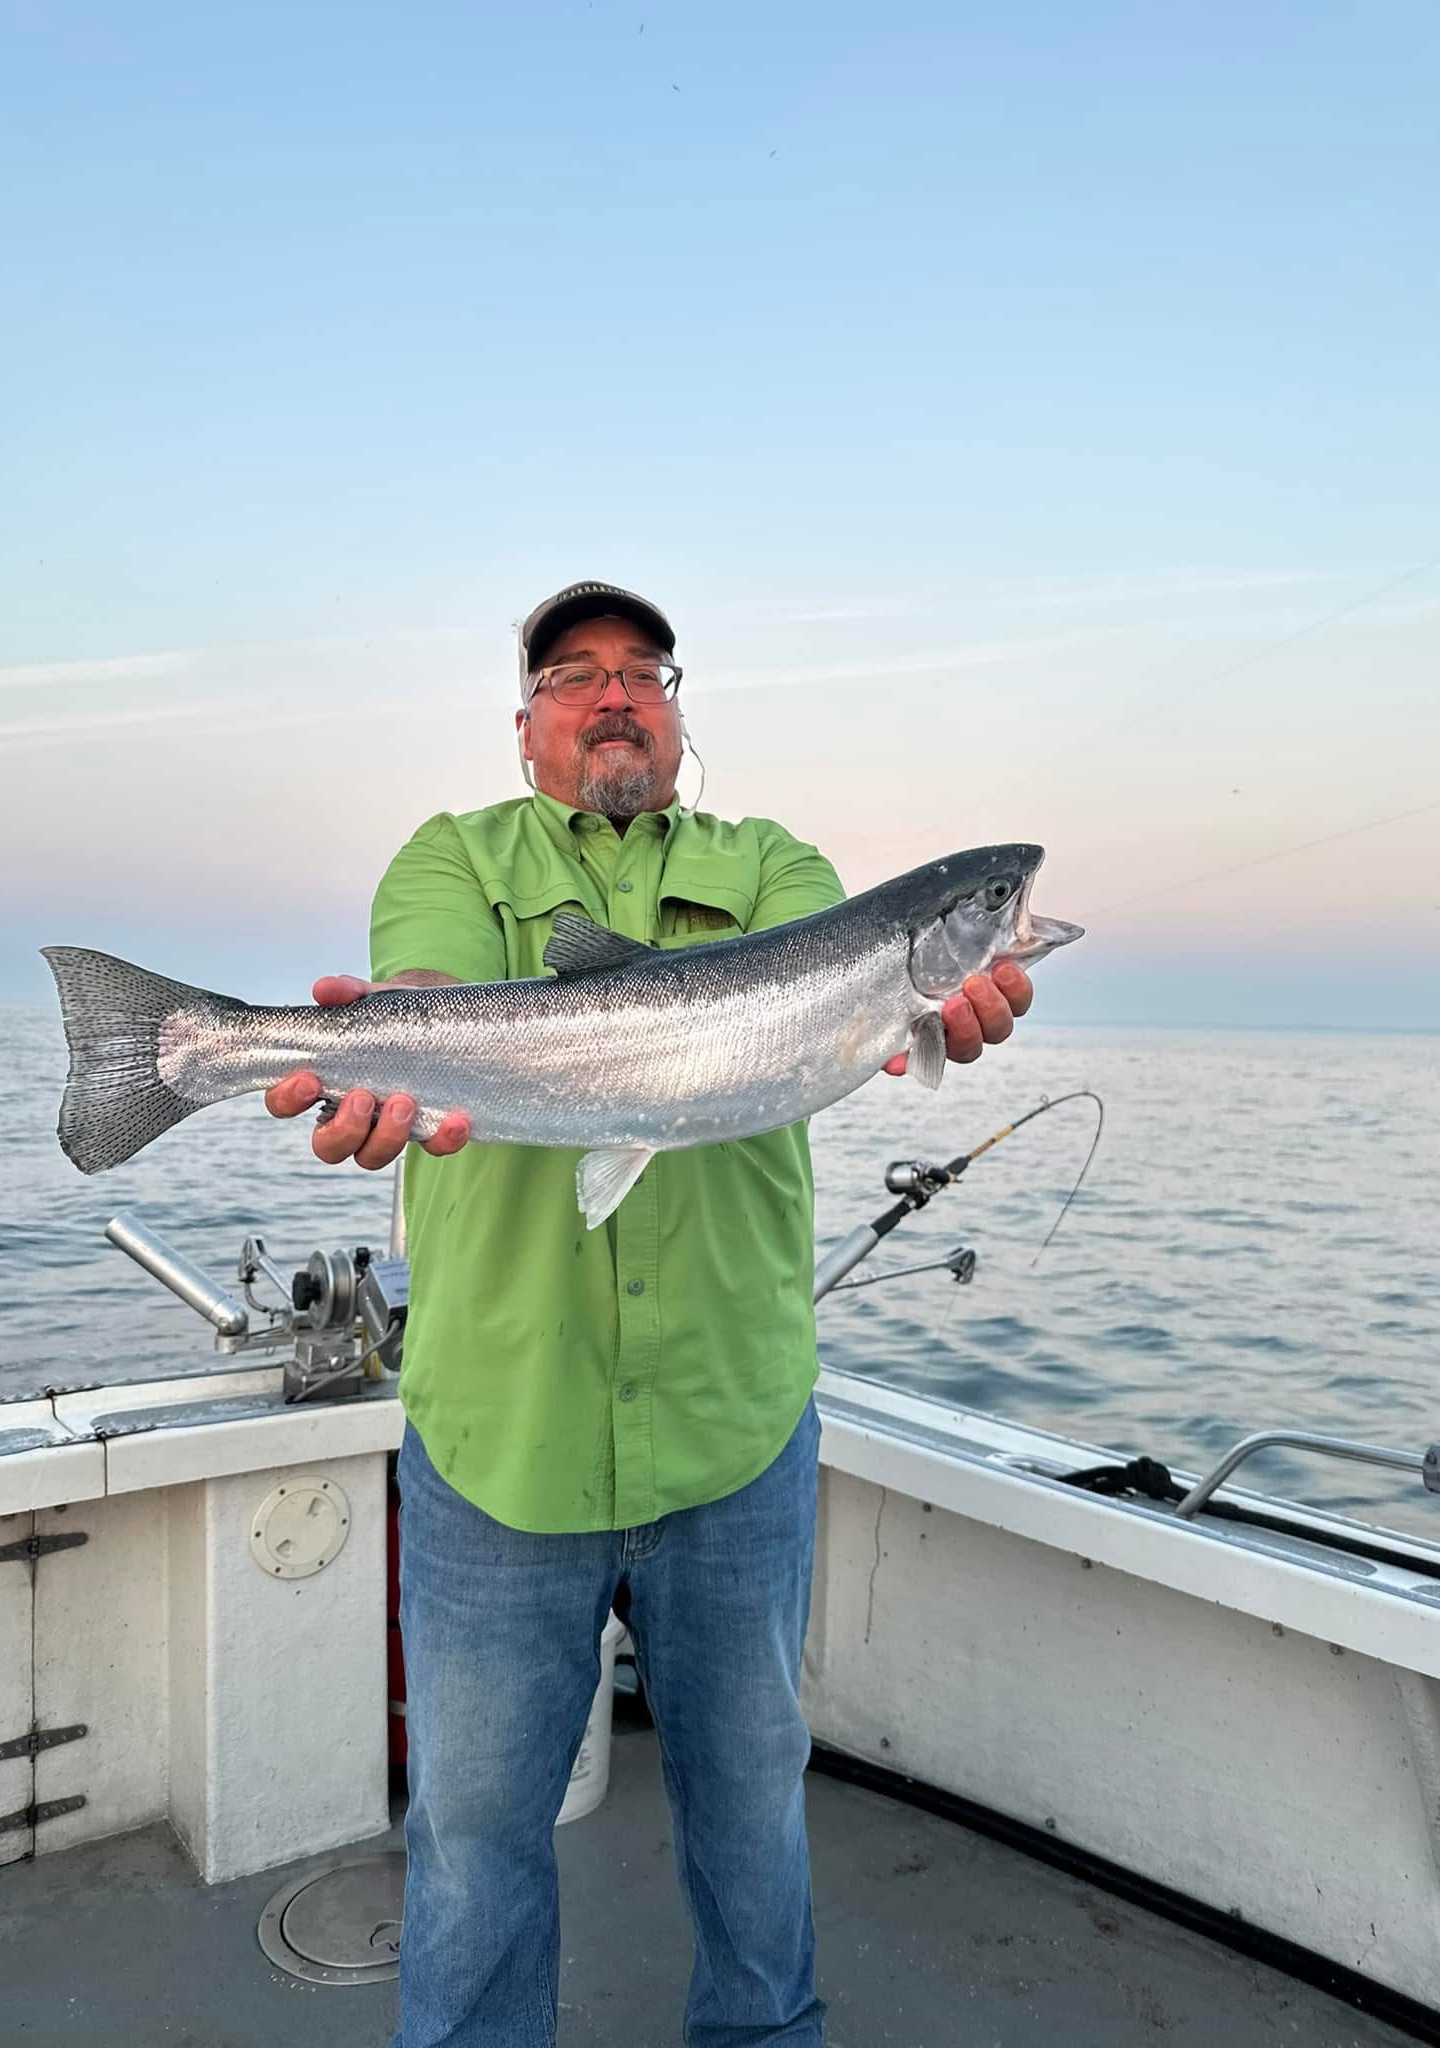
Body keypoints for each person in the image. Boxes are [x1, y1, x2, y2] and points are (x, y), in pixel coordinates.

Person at [265, 581, 1034, 2047]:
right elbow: (424, 981)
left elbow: (856, 1007)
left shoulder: (776, 865)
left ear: (677, 714)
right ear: (526, 727)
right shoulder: (454, 853)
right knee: (471, 1842)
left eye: (644, 671)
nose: (613, 694)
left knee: (754, 1819)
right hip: (503, 1436)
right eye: (573, 674)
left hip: (733, 1431)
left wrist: (936, 1008)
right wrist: (389, 1046)